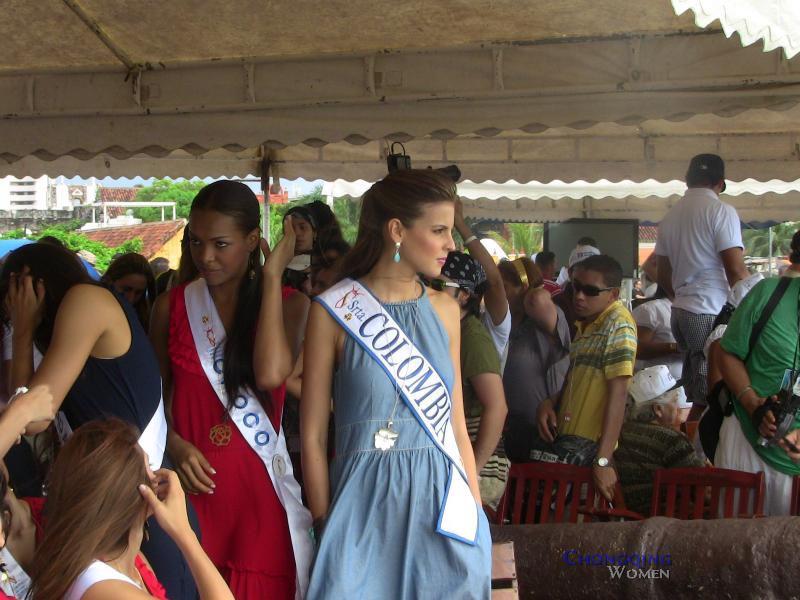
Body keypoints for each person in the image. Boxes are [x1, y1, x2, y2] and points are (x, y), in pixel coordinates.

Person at [302, 169, 491, 599]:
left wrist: (476, 515)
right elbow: (313, 435)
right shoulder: (332, 311)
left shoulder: (446, 310)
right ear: (397, 231)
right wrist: (323, 521)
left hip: (443, 507)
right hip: (360, 510)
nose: (451, 245)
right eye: (440, 230)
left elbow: (457, 426)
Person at [0, 243, 196, 600]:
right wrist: (25, 331)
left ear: (31, 286)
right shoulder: (73, 316)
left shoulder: (85, 300)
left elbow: (32, 417)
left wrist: (24, 327)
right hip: (113, 498)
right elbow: (25, 403)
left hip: (140, 496)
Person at [149, 180, 312, 599]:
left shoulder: (291, 305)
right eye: (196, 243)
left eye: (220, 244)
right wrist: (177, 445)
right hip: (188, 497)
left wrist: (273, 274)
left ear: (253, 240)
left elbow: (273, 375)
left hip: (257, 499)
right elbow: (155, 394)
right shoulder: (172, 306)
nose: (206, 256)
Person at [27, 419, 234, 600]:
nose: (156, 476)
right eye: (150, 467)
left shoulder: (127, 560)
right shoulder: (105, 587)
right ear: (143, 494)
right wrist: (184, 532)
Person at [537, 255, 637, 501]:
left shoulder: (618, 325)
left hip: (590, 452)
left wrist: (602, 461)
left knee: (573, 531)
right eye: (575, 287)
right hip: (568, 445)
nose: (579, 296)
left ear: (613, 294)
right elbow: (574, 380)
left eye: (590, 291)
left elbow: (619, 394)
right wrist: (550, 402)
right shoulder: (587, 325)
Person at [656, 153, 749, 409]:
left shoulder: (670, 216)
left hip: (681, 312)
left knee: (696, 388)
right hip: (709, 309)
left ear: (687, 180)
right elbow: (736, 270)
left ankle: (694, 443)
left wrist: (683, 295)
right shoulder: (721, 211)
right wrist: (756, 304)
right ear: (720, 183)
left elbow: (660, 271)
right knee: (713, 391)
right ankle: (704, 448)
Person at [716, 269, 800, 515]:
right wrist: (753, 405)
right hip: (745, 441)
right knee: (732, 540)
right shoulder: (768, 293)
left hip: (793, 460)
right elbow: (727, 353)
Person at [440, 251, 508, 508]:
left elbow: (497, 407)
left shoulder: (472, 337)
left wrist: (472, 470)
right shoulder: (450, 330)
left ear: (465, 294)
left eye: (439, 285)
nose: (428, 292)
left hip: (479, 467)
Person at [614, 366, 702, 516]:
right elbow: (701, 488)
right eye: (675, 400)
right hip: (666, 521)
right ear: (658, 409)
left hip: (625, 517)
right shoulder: (672, 440)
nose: (678, 405)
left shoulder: (618, 434)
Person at [502, 275, 571, 463]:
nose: (499, 292)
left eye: (504, 286)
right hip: (507, 425)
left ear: (523, 287)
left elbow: (537, 299)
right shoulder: (500, 324)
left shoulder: (544, 320)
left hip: (540, 426)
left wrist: (530, 287)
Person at [452, 199, 510, 363]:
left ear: (464, 293)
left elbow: (495, 283)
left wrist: (460, 224)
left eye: (439, 286)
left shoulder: (489, 325)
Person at [632, 286, 682, 380]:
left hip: (684, 384)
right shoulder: (650, 309)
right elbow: (637, 349)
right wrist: (674, 347)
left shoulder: (693, 310)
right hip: (653, 386)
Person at [554, 244, 601, 338]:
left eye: (594, 269)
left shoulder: (610, 305)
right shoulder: (557, 305)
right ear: (570, 273)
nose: (588, 274)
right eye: (582, 269)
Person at [102, 253, 157, 331]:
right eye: (126, 289)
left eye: (138, 293)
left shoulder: (144, 319)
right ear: (109, 281)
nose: (131, 298)